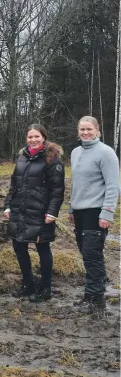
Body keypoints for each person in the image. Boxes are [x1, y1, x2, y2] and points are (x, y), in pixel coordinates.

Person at [4, 124, 65, 302]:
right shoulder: (21, 157)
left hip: (40, 212)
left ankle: (45, 288)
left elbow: (57, 190)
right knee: (19, 247)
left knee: (42, 248)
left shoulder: (52, 158)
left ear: (43, 137)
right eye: (30, 137)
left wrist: (52, 212)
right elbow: (14, 184)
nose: (33, 140)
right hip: (19, 210)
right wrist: (8, 205)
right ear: (26, 138)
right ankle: (28, 284)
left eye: (37, 136)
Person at [68, 116, 119, 315]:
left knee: (91, 253)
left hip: (96, 212)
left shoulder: (106, 153)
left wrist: (107, 213)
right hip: (80, 211)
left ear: (97, 130)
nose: (85, 133)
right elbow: (76, 184)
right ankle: (93, 291)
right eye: (82, 129)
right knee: (87, 253)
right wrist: (72, 208)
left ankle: (95, 298)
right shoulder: (76, 152)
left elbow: (113, 186)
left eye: (89, 129)